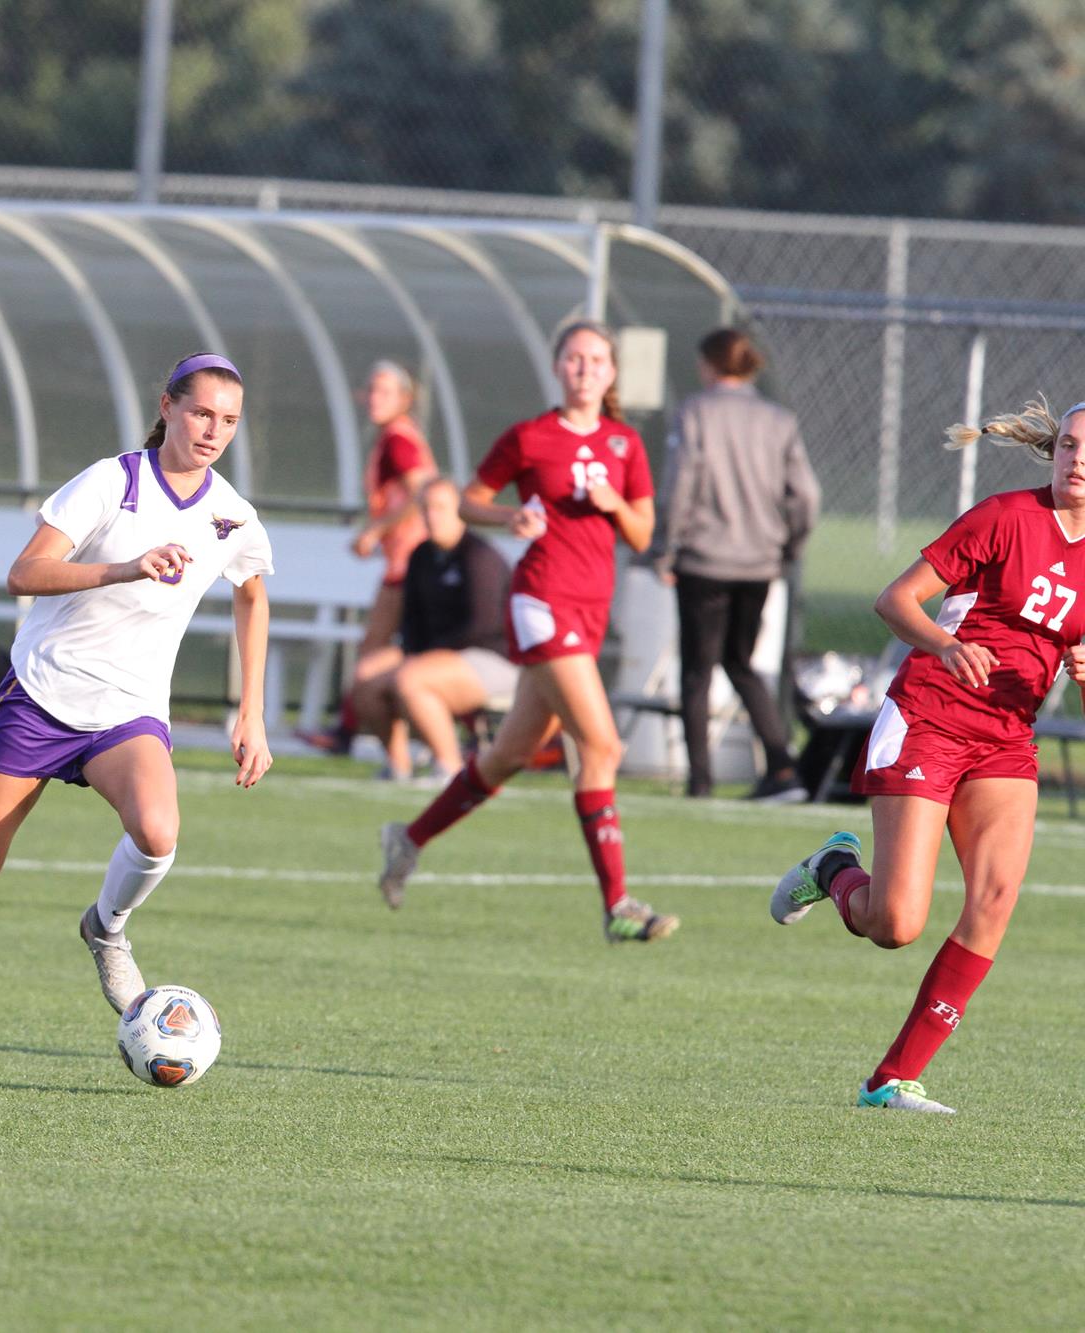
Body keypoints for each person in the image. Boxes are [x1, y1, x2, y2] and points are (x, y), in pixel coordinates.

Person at [0, 352, 275, 1071]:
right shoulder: (111, 482)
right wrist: (124, 568)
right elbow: (24, 572)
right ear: (167, 407)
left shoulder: (231, 513)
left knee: (158, 833)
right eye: (201, 412)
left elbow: (252, 593)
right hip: (42, 697)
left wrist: (251, 712)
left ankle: (106, 928)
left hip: (128, 711)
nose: (213, 431)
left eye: (228, 420)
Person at [770, 397, 1085, 1114]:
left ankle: (890, 1079)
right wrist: (947, 646)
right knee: (896, 925)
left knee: (995, 901)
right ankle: (833, 869)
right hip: (930, 719)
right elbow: (895, 600)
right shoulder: (1005, 516)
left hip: (1006, 738)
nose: (1077, 460)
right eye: (1069, 445)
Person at [374, 321, 677, 940]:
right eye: (574, 359)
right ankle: (618, 906)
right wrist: (509, 515)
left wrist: (614, 505)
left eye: (596, 360)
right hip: (541, 601)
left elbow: (643, 532)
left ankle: (409, 838)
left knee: (510, 754)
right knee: (602, 747)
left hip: (590, 609)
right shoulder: (530, 436)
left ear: (611, 373)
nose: (585, 369)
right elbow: (468, 501)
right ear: (558, 367)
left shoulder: (624, 444)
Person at [657, 328, 820, 800]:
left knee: (697, 672)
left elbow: (680, 484)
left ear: (710, 364)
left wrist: (665, 548)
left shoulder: (696, 412)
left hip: (704, 561)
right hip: (758, 565)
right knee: (740, 663)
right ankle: (782, 767)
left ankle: (700, 781)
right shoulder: (778, 420)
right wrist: (789, 547)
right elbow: (806, 496)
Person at [303, 361, 436, 767]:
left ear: (405, 399)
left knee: (383, 650)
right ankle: (352, 733)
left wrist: (375, 530)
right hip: (409, 562)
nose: (375, 399)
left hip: (411, 563)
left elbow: (422, 494)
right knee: (398, 649)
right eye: (372, 390)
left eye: (385, 392)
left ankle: (348, 733)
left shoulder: (399, 442)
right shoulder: (395, 438)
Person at [349, 476, 516, 788]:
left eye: (440, 508)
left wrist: (426, 657)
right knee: (367, 675)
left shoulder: (480, 556)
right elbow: (412, 622)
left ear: (459, 511)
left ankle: (450, 767)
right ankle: (398, 766)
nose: (432, 516)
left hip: (491, 659)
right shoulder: (421, 555)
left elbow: (483, 627)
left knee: (412, 679)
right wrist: (414, 653)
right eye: (425, 508)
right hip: (434, 656)